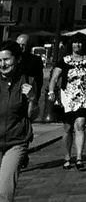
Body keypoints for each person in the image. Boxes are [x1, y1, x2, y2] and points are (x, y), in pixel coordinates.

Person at [49, 33, 86, 172]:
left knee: (80, 124)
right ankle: (66, 157)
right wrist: (51, 92)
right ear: (71, 44)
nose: (78, 45)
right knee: (67, 128)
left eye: (80, 43)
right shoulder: (64, 60)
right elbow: (54, 77)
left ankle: (79, 158)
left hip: (84, 97)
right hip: (68, 98)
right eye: (75, 42)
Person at [0, 40, 37, 201]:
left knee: (4, 191)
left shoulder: (27, 81)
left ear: (18, 59)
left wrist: (32, 99)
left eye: (7, 59)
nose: (2, 64)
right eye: (0, 60)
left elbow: (33, 115)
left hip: (16, 140)